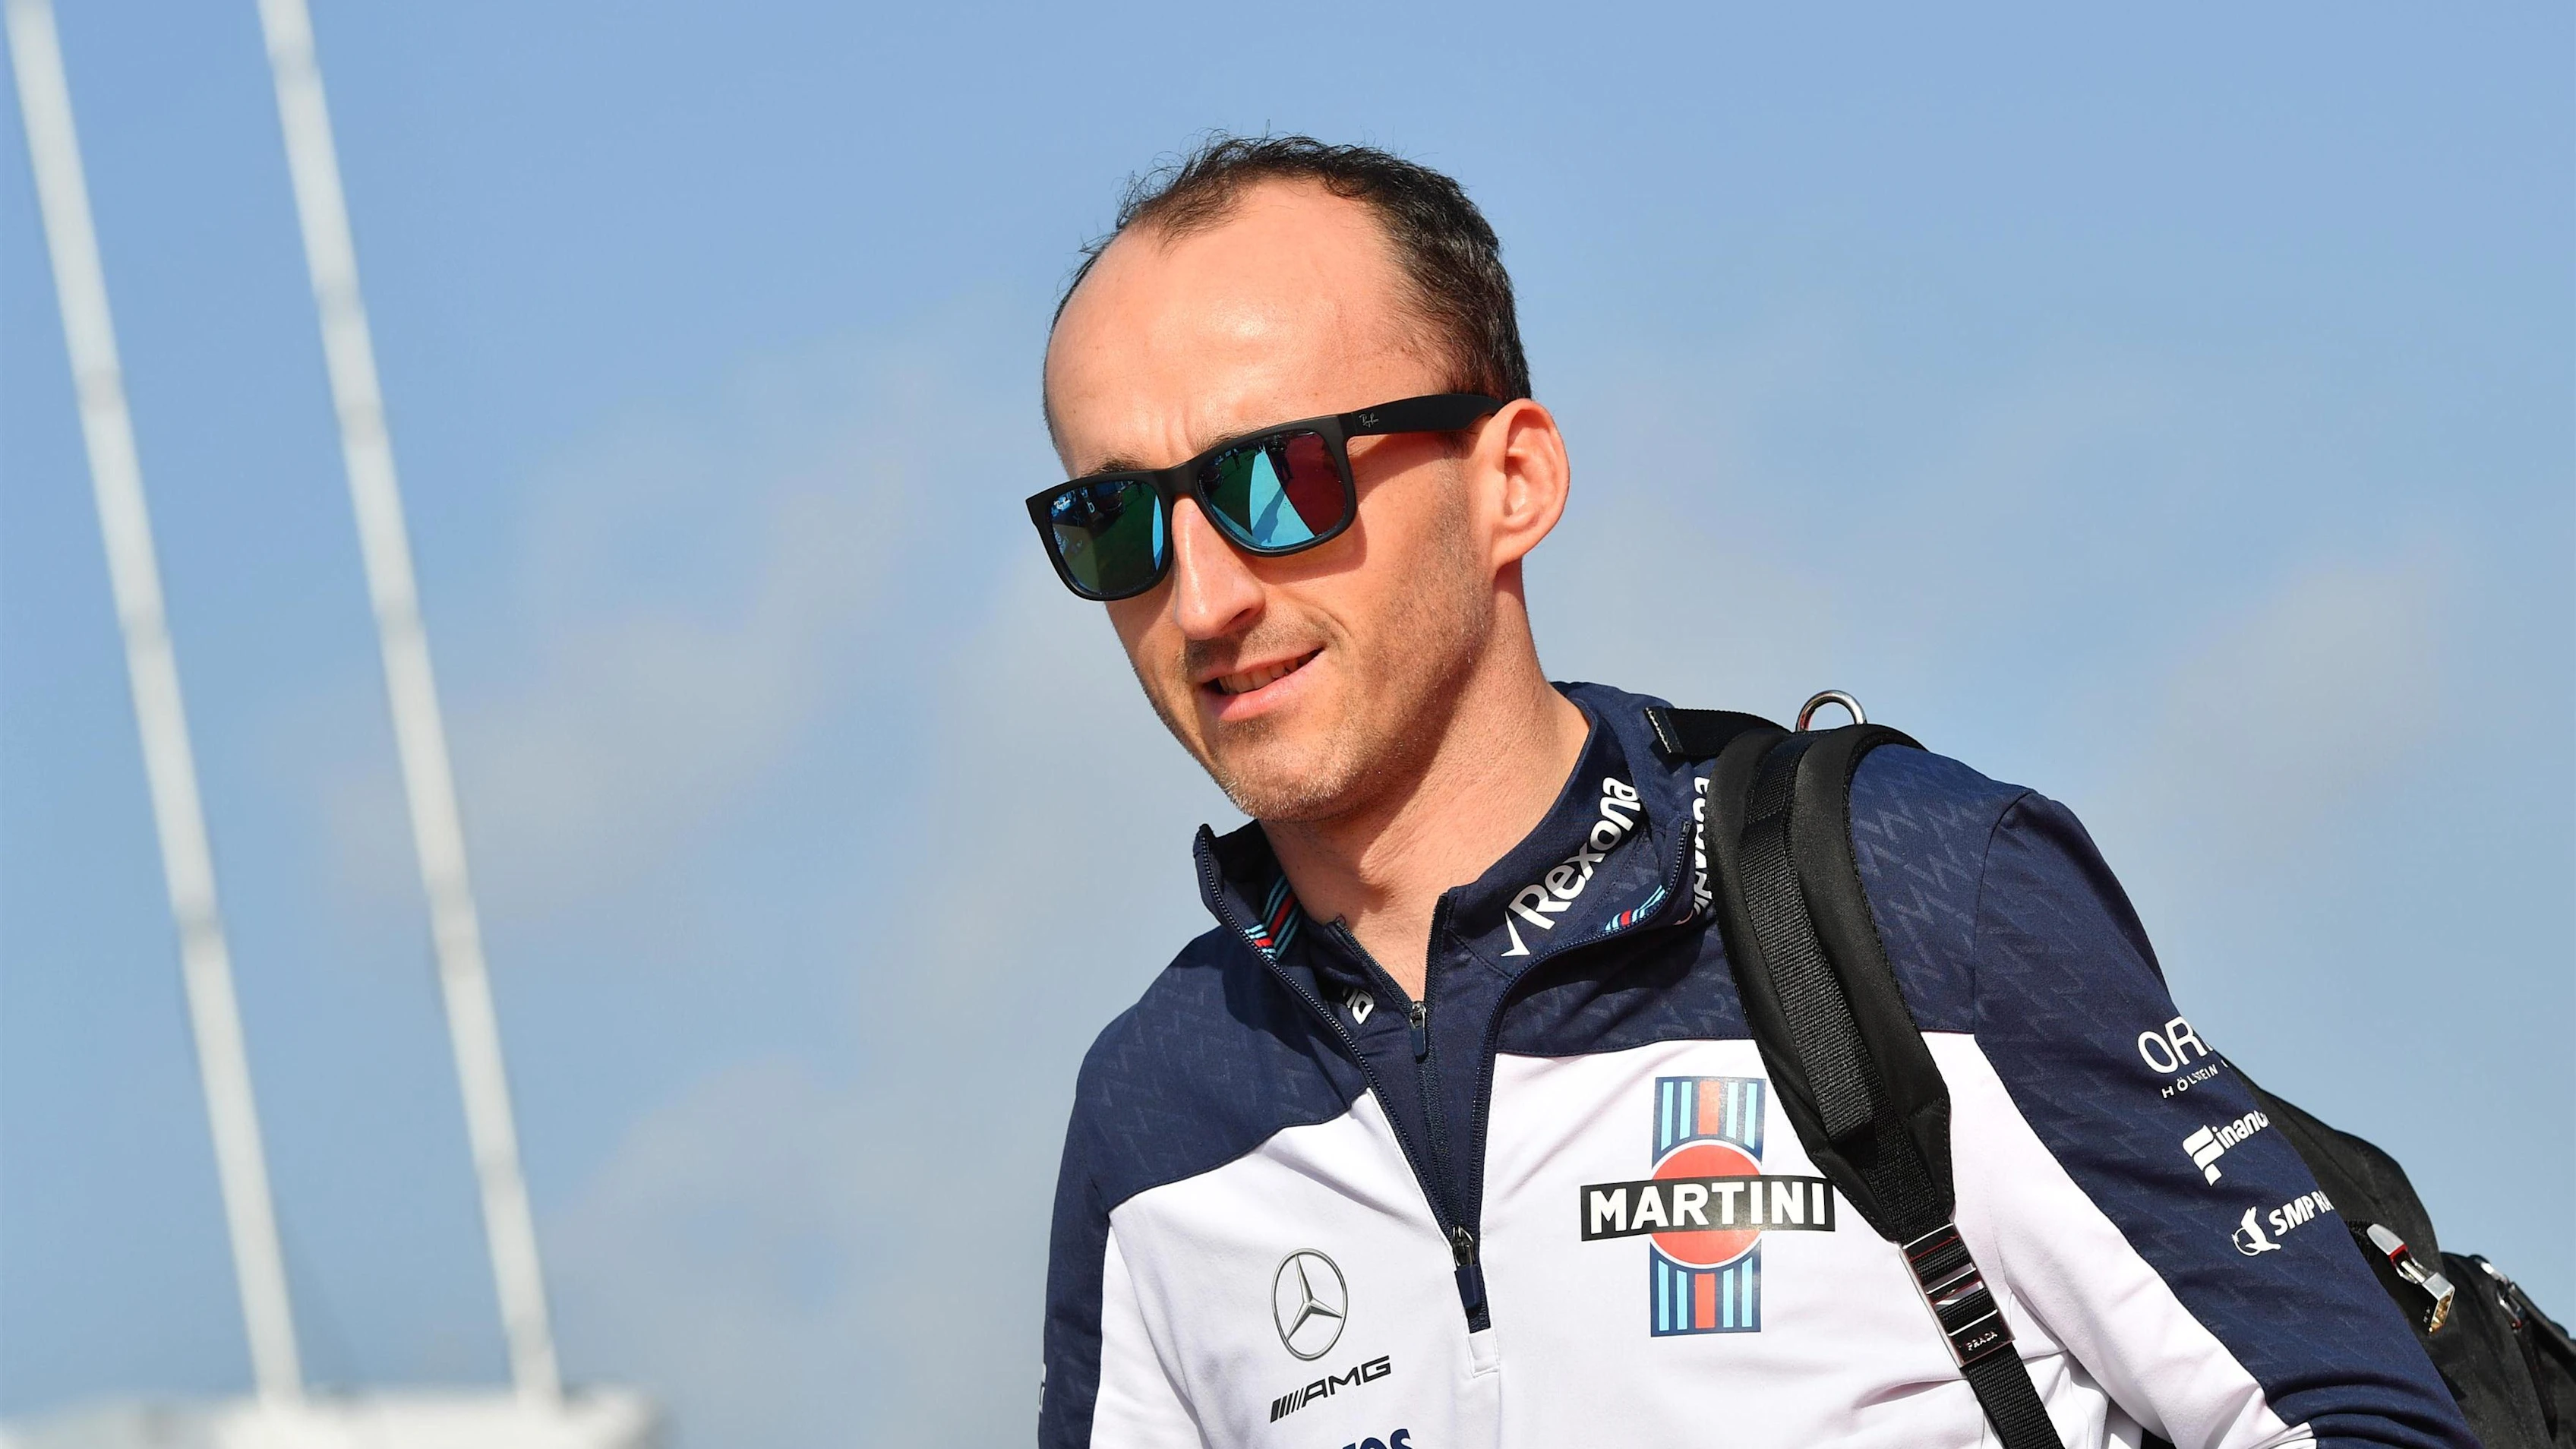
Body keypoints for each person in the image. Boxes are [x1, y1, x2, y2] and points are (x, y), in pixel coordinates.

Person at [1028, 135, 2473, 1449]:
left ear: (1511, 480)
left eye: (1277, 479)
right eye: (1115, 523)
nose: (1203, 595)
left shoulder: (1918, 895)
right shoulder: (1159, 1103)